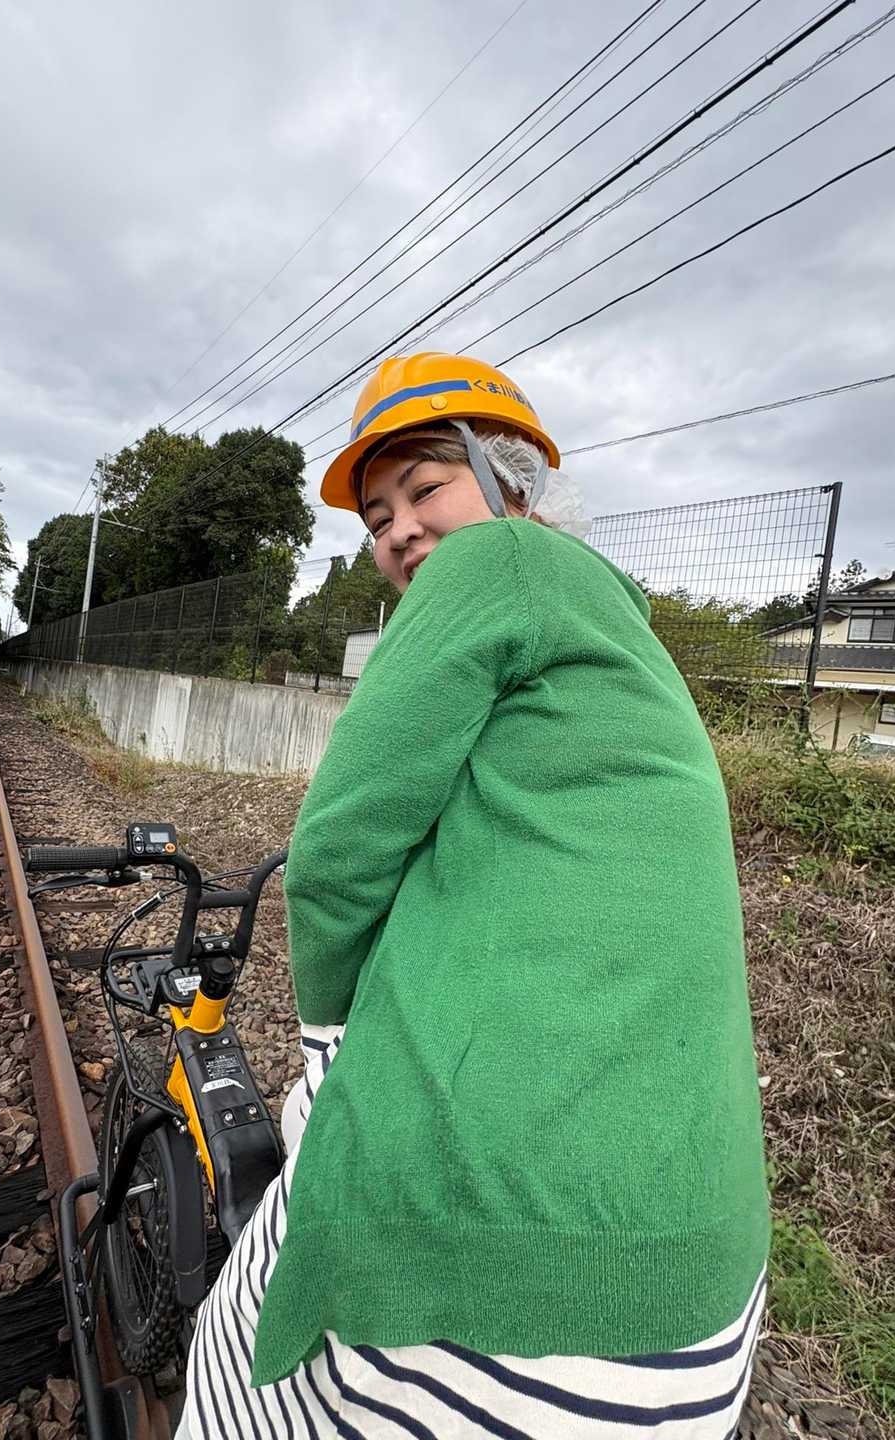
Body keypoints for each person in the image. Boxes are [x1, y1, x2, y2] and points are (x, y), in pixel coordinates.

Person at [179, 351, 769, 1440]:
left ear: (514, 484)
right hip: (692, 1303)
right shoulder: (622, 626)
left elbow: (340, 847)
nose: (400, 530)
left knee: (234, 1356)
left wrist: (327, 1046)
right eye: (377, 517)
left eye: (425, 486)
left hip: (488, 1283)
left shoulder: (499, 561)